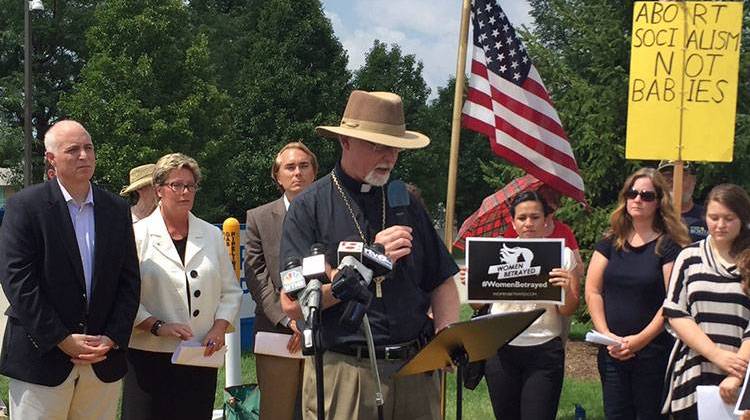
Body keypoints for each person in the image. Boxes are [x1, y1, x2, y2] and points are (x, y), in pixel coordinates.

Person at [280, 90, 460, 420]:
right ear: (346, 142)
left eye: (394, 147)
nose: (389, 156)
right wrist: (363, 266)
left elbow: (442, 279)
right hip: (346, 371)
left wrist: (446, 333)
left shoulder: (403, 200)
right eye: (377, 145)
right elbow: (292, 303)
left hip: (414, 369)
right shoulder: (311, 207)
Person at [0, 120, 141, 419]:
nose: (84, 156)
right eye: (73, 150)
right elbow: (18, 281)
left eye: (88, 148)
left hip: (102, 360)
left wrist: (113, 337)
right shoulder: (25, 206)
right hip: (42, 360)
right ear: (51, 159)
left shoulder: (115, 209)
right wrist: (61, 338)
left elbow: (129, 281)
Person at [121, 153, 243, 420]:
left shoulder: (211, 234)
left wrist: (219, 327)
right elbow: (123, 296)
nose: (184, 192)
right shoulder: (136, 235)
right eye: (176, 185)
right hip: (148, 356)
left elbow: (231, 291)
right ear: (159, 190)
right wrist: (156, 325)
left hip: (199, 354)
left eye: (190, 185)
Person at [585, 167, 690, 419]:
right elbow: (593, 290)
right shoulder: (610, 240)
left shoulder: (669, 245)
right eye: (633, 193)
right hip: (610, 351)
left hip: (653, 352)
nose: (638, 200)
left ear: (659, 202)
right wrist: (605, 334)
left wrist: (639, 340)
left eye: (647, 195)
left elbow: (671, 301)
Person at [484, 191, 580, 419]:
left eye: (535, 217)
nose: (529, 223)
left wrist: (567, 289)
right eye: (522, 217)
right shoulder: (494, 252)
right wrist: (473, 283)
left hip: (544, 349)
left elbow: (568, 310)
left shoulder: (563, 254)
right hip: (501, 349)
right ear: (513, 222)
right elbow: (479, 303)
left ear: (546, 219)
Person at [662, 184, 750, 419]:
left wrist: (736, 371)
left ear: (742, 219)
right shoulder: (688, 257)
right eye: (714, 217)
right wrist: (716, 354)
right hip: (695, 370)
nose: (720, 225)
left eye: (729, 218)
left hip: (742, 373)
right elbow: (676, 312)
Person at [245, 141, 318, 420]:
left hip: (324, 331)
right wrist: (289, 320)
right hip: (277, 333)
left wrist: (310, 319)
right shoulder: (259, 218)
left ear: (314, 172)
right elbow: (257, 277)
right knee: (277, 413)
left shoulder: (332, 214)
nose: (297, 172)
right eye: (290, 167)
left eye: (304, 166)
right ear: (277, 176)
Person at [658, 160, 708, 242]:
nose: (674, 181)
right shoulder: (651, 216)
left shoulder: (709, 218)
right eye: (666, 177)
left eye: (680, 175)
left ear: (693, 180)